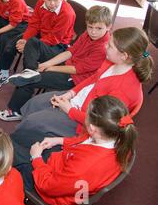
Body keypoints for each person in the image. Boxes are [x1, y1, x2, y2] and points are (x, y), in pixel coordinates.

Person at [13, 26, 153, 138]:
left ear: (124, 56)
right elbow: (93, 78)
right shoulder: (112, 60)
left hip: (84, 123)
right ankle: (30, 134)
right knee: (34, 104)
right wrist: (71, 93)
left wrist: (69, 110)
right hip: (80, 100)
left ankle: (26, 139)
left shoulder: (123, 90)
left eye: (110, 46)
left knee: (33, 122)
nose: (105, 47)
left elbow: (98, 123)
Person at [10, 95, 138, 205]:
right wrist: (58, 140)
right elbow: (82, 141)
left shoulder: (87, 166)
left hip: (48, 185)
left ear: (92, 128)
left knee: (2, 147)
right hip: (63, 163)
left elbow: (48, 186)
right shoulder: (116, 137)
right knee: (21, 135)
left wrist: (36, 157)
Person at [0, 5, 112, 121]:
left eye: (98, 28)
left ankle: (16, 111)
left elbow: (76, 69)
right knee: (33, 43)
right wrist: (46, 65)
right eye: (90, 27)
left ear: (108, 27)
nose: (93, 31)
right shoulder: (87, 34)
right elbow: (70, 52)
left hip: (74, 78)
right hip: (68, 64)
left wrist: (49, 67)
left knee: (30, 80)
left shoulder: (102, 48)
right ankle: (31, 72)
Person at [9, 0, 76, 82]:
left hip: (58, 43)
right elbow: (34, 24)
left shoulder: (67, 13)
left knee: (30, 54)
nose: (52, 3)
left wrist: (29, 45)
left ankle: (28, 80)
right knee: (12, 44)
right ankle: (4, 72)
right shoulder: (41, 3)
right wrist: (26, 39)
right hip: (43, 35)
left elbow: (54, 38)